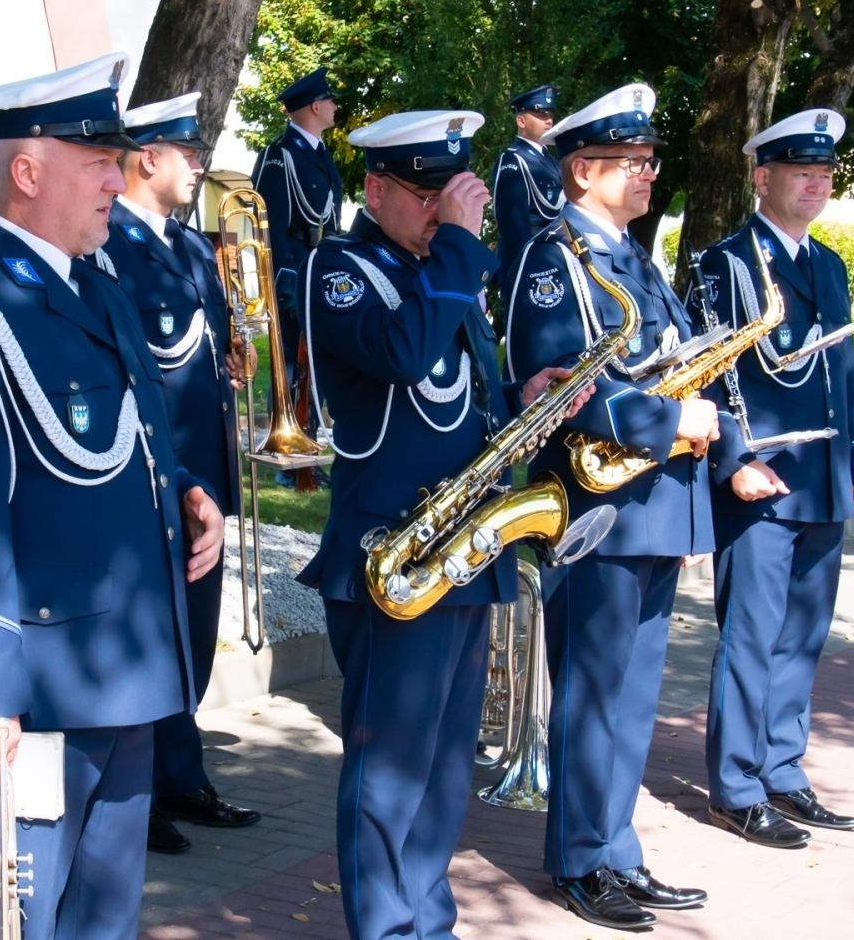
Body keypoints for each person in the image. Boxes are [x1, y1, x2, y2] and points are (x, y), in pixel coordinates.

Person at [0, 52, 226, 940]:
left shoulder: (101, 288)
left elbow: (131, 441)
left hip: (127, 675)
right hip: (29, 693)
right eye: (99, 161)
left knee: (101, 921)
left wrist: (187, 492)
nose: (119, 179)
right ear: (29, 173)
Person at [298, 109, 587, 939]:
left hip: (460, 551)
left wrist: (524, 399)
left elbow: (463, 399)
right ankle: (386, 927)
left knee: (444, 765)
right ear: (375, 189)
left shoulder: (444, 275)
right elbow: (401, 353)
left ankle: (427, 920)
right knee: (390, 768)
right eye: (424, 194)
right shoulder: (340, 270)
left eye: (449, 194)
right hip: (393, 554)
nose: (440, 211)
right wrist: (460, 242)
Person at [504, 83, 719, 931]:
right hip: (595, 505)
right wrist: (672, 422)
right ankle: (577, 859)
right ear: (582, 169)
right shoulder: (552, 259)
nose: (647, 173)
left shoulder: (634, 256)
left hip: (654, 501)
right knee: (591, 696)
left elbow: (674, 361)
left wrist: (706, 452)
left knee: (631, 698)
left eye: (650, 160)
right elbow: (567, 385)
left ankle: (616, 849)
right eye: (630, 161)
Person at [698, 108, 854, 850]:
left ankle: (781, 766)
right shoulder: (726, 263)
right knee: (752, 635)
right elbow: (707, 375)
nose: (817, 184)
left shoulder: (828, 265)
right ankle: (737, 787)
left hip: (823, 477)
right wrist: (733, 460)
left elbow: (843, 375)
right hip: (762, 480)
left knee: (803, 634)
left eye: (825, 173)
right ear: (761, 177)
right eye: (802, 172)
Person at [97, 91, 262, 855]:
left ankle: (181, 774)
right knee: (154, 635)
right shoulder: (110, 242)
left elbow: (205, 345)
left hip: (205, 476)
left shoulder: (193, 247)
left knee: (192, 633)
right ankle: (142, 791)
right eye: (188, 152)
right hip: (155, 475)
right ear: (148, 157)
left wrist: (236, 357)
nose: (200, 165)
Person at [250, 66, 343, 438]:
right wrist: (284, 279)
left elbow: (330, 221)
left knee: (317, 362)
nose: (335, 106)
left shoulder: (320, 154)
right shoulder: (280, 155)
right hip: (293, 275)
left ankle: (309, 434)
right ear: (315, 106)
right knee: (291, 362)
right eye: (329, 100)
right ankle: (288, 438)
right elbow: (267, 225)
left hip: (319, 270)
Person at [489, 84, 563, 289]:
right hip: (528, 265)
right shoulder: (513, 160)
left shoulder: (551, 159)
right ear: (521, 120)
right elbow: (513, 227)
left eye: (550, 115)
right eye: (540, 115)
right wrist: (530, 265)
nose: (549, 120)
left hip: (555, 257)